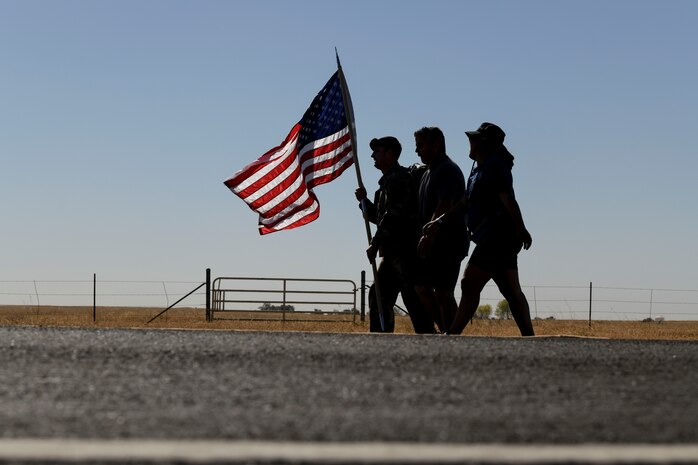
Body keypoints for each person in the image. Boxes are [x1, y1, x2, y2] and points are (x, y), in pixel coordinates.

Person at [423, 122, 534, 336]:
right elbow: (464, 202)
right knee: (511, 290)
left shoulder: (494, 166)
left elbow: (508, 199)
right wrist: (439, 222)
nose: (470, 144)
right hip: (491, 237)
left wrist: (521, 229)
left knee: (469, 282)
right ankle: (529, 336)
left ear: (484, 144)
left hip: (498, 236)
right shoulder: (477, 169)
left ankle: (454, 332)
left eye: (473, 140)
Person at [355, 136, 435, 334]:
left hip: (405, 250)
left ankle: (430, 339)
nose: (373, 155)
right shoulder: (387, 183)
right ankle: (381, 338)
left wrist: (375, 243)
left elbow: (394, 216)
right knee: (380, 295)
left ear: (391, 154)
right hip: (393, 252)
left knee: (412, 297)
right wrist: (364, 202)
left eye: (378, 151)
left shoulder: (398, 179)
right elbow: (381, 217)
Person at [412, 127, 469, 333]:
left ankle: (452, 336)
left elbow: (445, 204)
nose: (417, 151)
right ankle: (444, 329)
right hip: (431, 241)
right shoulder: (428, 172)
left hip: (449, 241)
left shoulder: (447, 170)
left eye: (421, 145)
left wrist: (430, 234)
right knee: (422, 287)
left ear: (436, 145)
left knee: (444, 292)